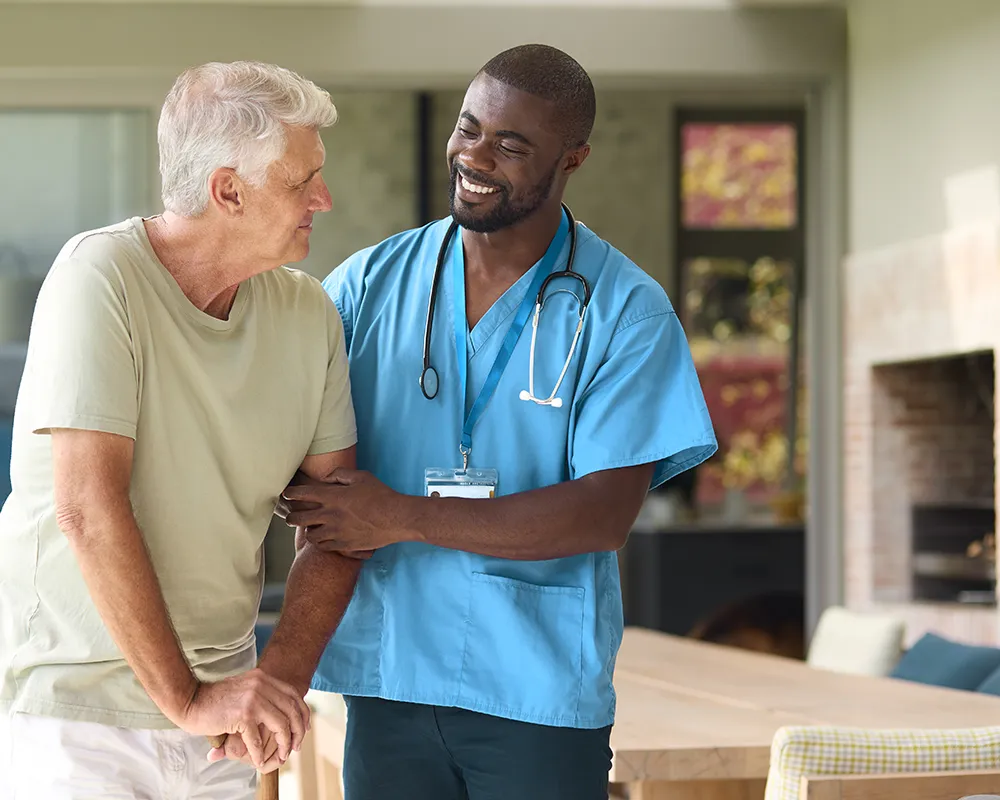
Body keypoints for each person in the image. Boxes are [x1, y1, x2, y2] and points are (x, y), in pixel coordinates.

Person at [271, 44, 718, 799]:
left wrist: (399, 515)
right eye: (469, 128)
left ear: (573, 157)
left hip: (536, 698)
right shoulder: (367, 286)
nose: (476, 156)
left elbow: (604, 515)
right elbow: (294, 448)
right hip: (390, 678)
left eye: (511, 145)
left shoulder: (623, 311)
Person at [0, 61, 365, 799]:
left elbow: (339, 519)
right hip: (77, 718)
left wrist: (277, 686)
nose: (322, 199)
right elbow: (87, 508)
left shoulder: (307, 315)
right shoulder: (98, 276)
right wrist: (188, 700)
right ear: (227, 190)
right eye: (301, 182)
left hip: (219, 725)